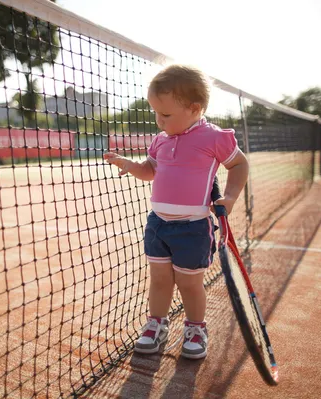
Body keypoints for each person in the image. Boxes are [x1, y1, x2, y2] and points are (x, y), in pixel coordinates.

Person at [103, 64, 249, 359]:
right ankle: (156, 325)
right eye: (156, 113)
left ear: (195, 109)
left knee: (189, 284)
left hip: (192, 228)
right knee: (158, 279)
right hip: (158, 224)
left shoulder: (214, 137)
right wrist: (129, 166)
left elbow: (239, 164)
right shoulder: (161, 140)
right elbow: (150, 171)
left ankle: (196, 328)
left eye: (166, 115)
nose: (159, 121)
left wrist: (230, 197)